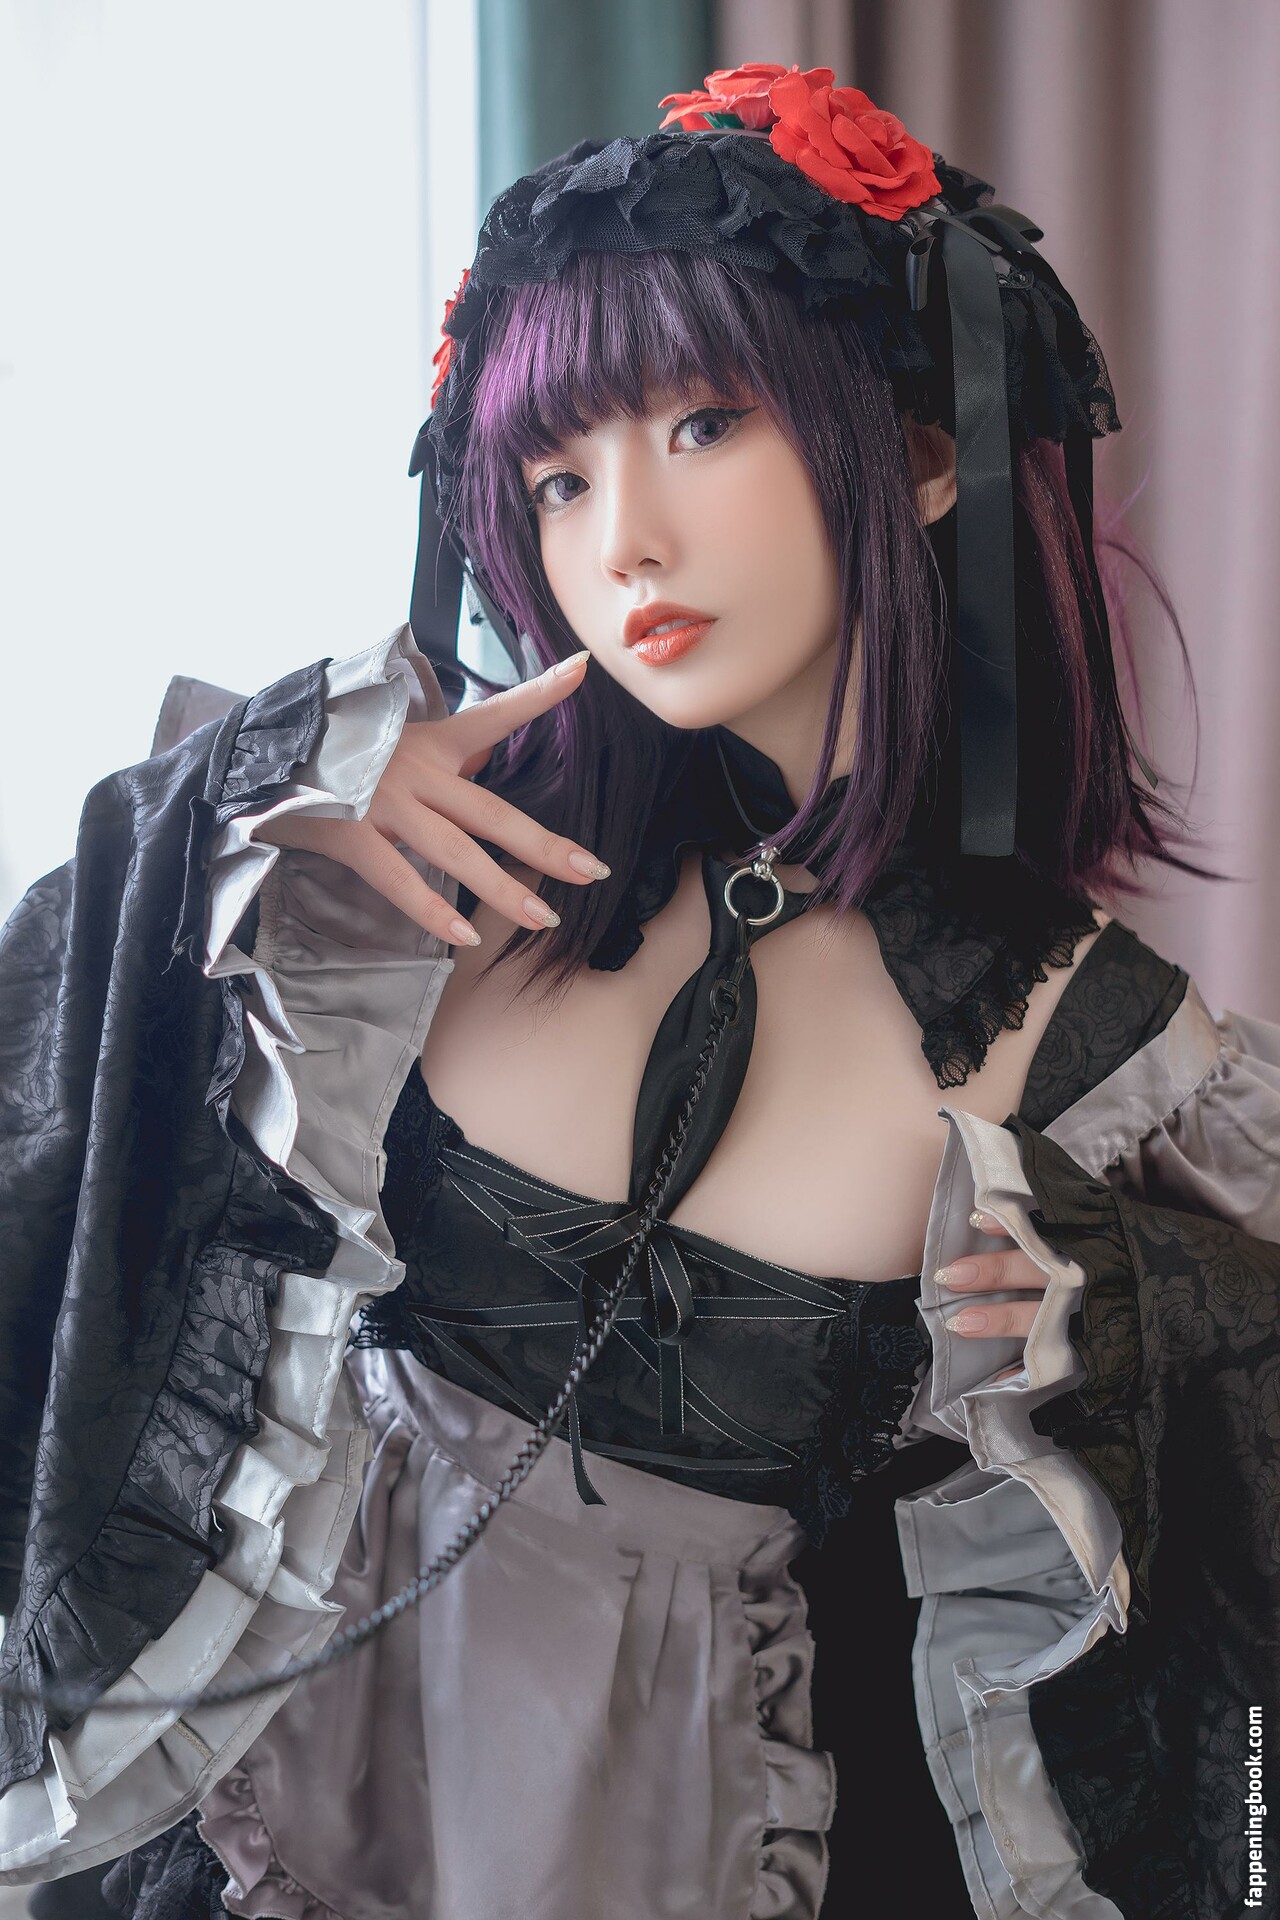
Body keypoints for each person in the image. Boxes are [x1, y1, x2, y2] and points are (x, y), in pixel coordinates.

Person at [0, 61, 1277, 1920]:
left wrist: (1132, 1315)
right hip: (267, 1817)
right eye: (558, 477)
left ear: (922, 453)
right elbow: (46, 1120)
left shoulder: (1092, 1044)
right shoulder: (404, 867)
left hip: (696, 1847)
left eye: (703, 423)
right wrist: (229, 826)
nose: (624, 542)